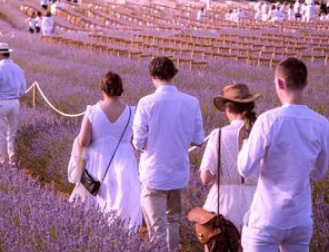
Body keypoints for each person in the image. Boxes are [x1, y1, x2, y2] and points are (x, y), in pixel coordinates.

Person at [238, 57, 329, 252]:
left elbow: (245, 168)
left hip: (267, 218)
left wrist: (246, 143)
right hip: (300, 218)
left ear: (279, 82)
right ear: (305, 83)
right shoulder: (322, 124)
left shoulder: (268, 121)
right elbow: (319, 173)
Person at [132, 56, 204, 251]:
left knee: (157, 228)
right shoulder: (191, 102)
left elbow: (138, 143)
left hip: (153, 172)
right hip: (178, 172)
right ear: (173, 74)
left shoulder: (146, 103)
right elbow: (199, 139)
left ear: (153, 76)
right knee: (172, 221)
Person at [70, 71, 142, 231]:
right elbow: (135, 140)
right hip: (124, 159)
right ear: (120, 89)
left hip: (97, 160)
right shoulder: (132, 112)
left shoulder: (92, 111)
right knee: (122, 198)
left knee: (96, 199)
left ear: (102, 89)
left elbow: (84, 141)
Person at [200, 84, 260, 231]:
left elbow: (206, 178)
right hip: (256, 204)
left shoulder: (219, 134)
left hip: (224, 205)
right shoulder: (261, 134)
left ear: (228, 109)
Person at [0, 43, 26, 166]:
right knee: (12, 134)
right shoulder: (17, 68)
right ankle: (12, 160)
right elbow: (23, 89)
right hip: (15, 102)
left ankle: (2, 162)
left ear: (0, 54)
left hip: (0, 103)